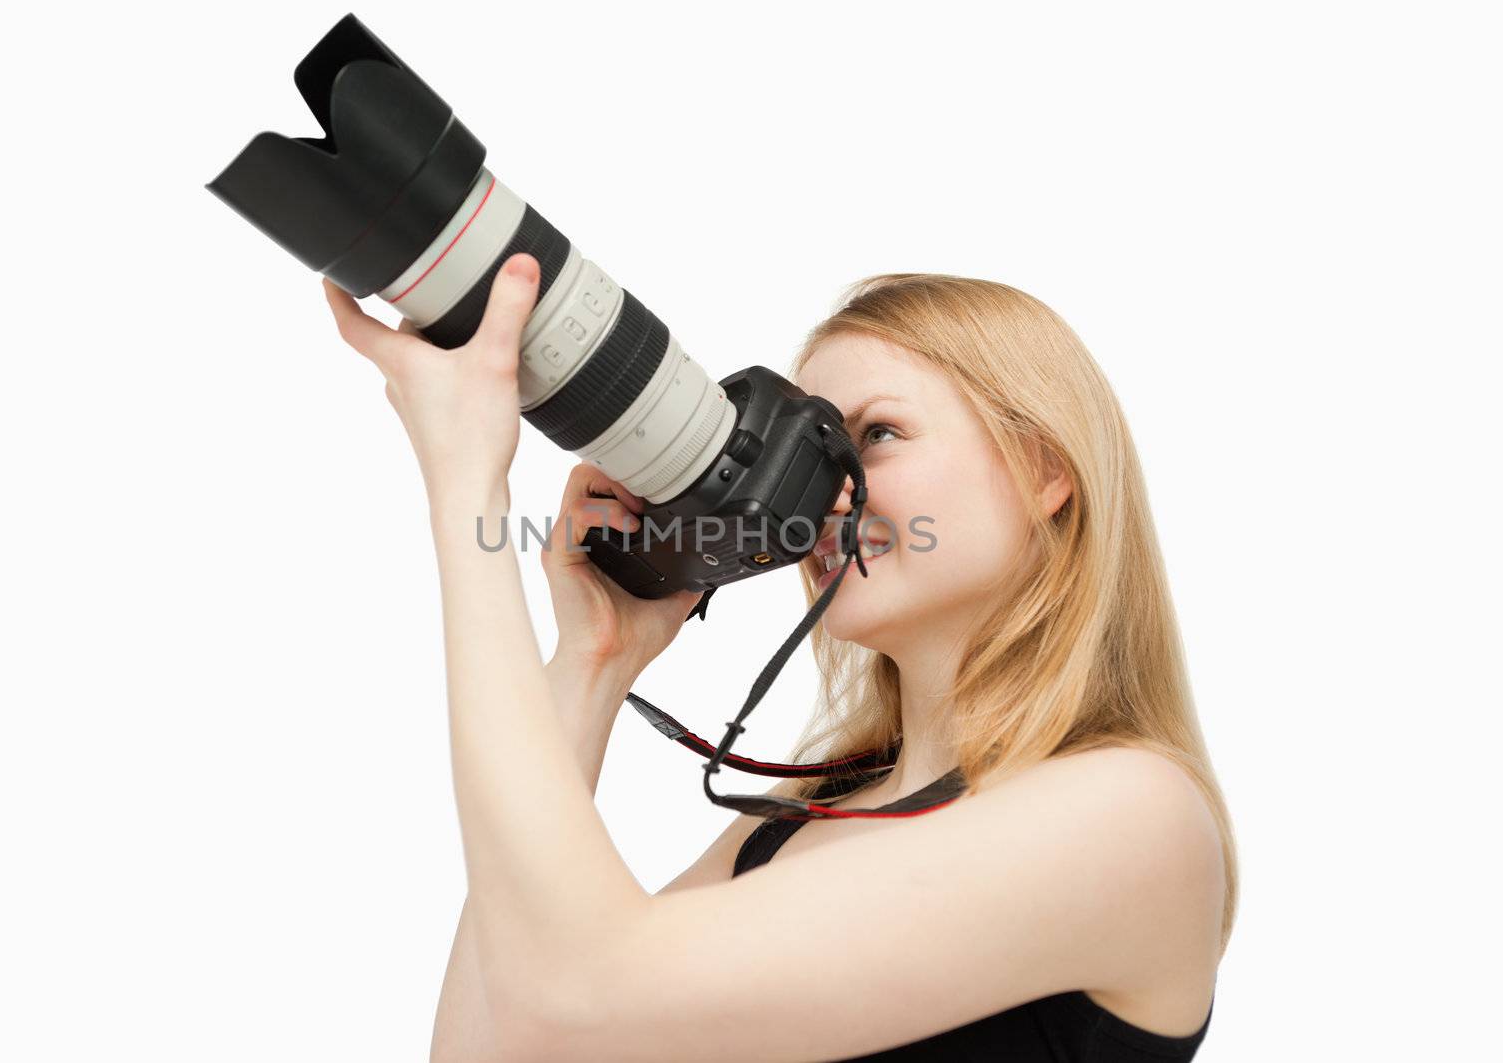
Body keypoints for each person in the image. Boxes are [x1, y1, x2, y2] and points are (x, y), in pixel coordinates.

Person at [323, 258, 1236, 1062]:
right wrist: (592, 664)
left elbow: (580, 995)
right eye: (809, 448)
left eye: (875, 434)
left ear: (1044, 472)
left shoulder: (1131, 814)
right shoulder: (795, 826)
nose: (827, 493)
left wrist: (463, 484)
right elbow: (501, 1048)